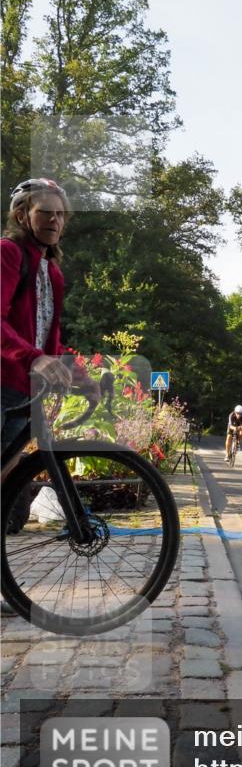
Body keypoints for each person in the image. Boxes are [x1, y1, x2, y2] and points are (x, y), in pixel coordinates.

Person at [1, 178, 99, 614]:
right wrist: (33, 359)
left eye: (60, 214)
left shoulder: (52, 272)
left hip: (20, 393)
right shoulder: (8, 254)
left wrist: (79, 376)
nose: (55, 221)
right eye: (45, 212)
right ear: (23, 215)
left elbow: (49, 339)